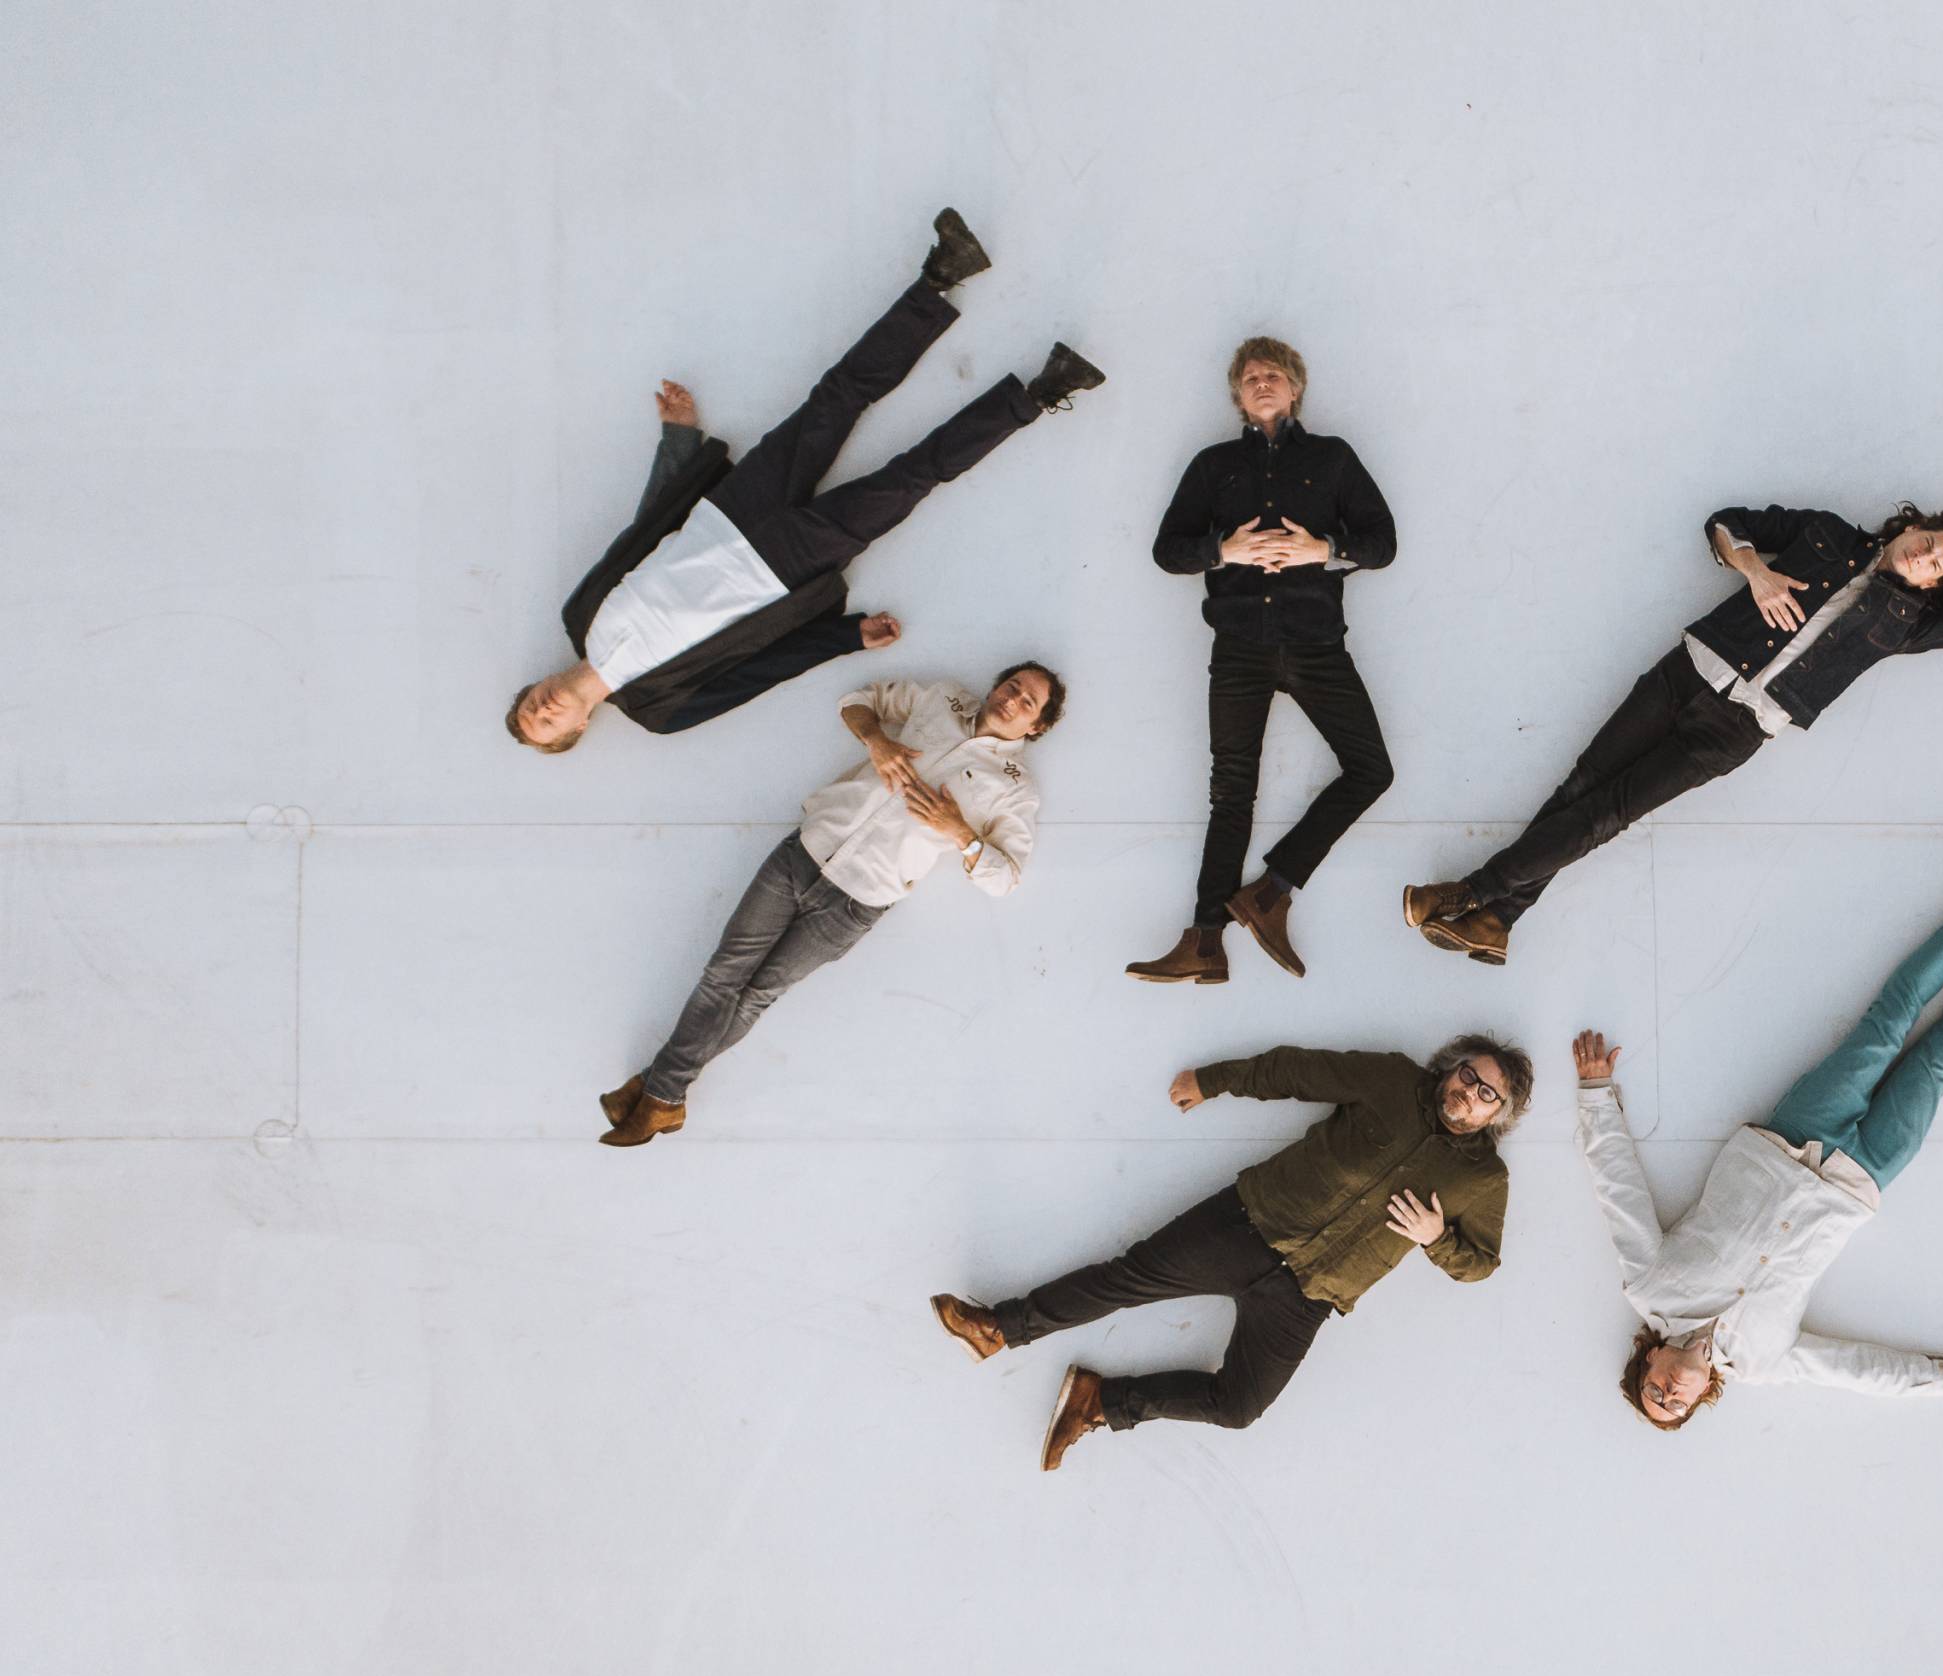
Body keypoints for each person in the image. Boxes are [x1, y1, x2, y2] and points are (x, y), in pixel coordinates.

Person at [509, 209, 1103, 751]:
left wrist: (678, 442)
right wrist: (843, 638)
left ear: (535, 685)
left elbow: (643, 532)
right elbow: (759, 673)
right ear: (578, 728)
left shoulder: (579, 613)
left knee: (835, 399)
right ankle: (1041, 392)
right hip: (779, 569)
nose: (544, 710)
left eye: (532, 705)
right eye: (547, 725)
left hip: (730, 510)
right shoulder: (657, 709)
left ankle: (941, 276)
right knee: (911, 478)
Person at [1571, 848, 1943, 1428]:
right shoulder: (1764, 1361)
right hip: (1863, 1177)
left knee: (1890, 1020)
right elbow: (1857, 1371)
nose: (1670, 1391)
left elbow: (1619, 1193)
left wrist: (1595, 1095)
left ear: (1649, 1359)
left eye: (1654, 1389)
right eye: (1676, 1404)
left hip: (1793, 1139)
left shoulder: (1651, 1288)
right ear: (1700, 1399)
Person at [1403, 501, 1943, 964]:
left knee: (1609, 813)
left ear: (1932, 584)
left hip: (1736, 728)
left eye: (1935, 565)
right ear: (1912, 525)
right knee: (1581, 788)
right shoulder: (1827, 531)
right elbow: (1726, 523)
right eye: (1928, 542)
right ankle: (1498, 921)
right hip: (1688, 671)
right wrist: (1756, 572)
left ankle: (1469, 895)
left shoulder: (1908, 622)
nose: (1923, 557)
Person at [928, 1035, 1531, 1470]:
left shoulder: (1484, 1180)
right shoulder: (1393, 1080)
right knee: (1124, 1279)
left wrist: (1436, 1238)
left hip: (1309, 1296)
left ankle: (1100, 1402)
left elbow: (1481, 1263)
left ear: (1498, 1115)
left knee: (1239, 1407)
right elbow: (1298, 1071)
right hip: (1248, 1223)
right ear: (1450, 1067)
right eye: (1467, 1075)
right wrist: (1215, 1080)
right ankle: (997, 1329)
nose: (1469, 1092)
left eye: (1487, 1094)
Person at [595, 664, 1064, 1146]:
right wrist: (876, 741)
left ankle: (657, 1089)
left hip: (857, 902)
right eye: (1012, 686)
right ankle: (663, 1098)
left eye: (1028, 702)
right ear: (997, 684)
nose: (1012, 699)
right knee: (723, 975)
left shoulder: (1015, 788)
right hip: (803, 854)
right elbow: (859, 700)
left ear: (1036, 726)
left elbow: (1006, 877)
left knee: (755, 995)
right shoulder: (943, 698)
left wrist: (960, 831)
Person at [1123, 338, 1398, 984]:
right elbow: (1167, 551)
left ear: (1295, 388)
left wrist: (1320, 550)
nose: (1262, 382)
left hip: (1315, 644)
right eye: (1250, 377)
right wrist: (1226, 551)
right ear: (1238, 396)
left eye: (1274, 374)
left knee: (1371, 770)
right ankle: (1204, 942)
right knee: (1231, 791)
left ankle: (1272, 891)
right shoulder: (1213, 465)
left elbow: (1383, 543)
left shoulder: (1333, 458)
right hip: (1239, 648)